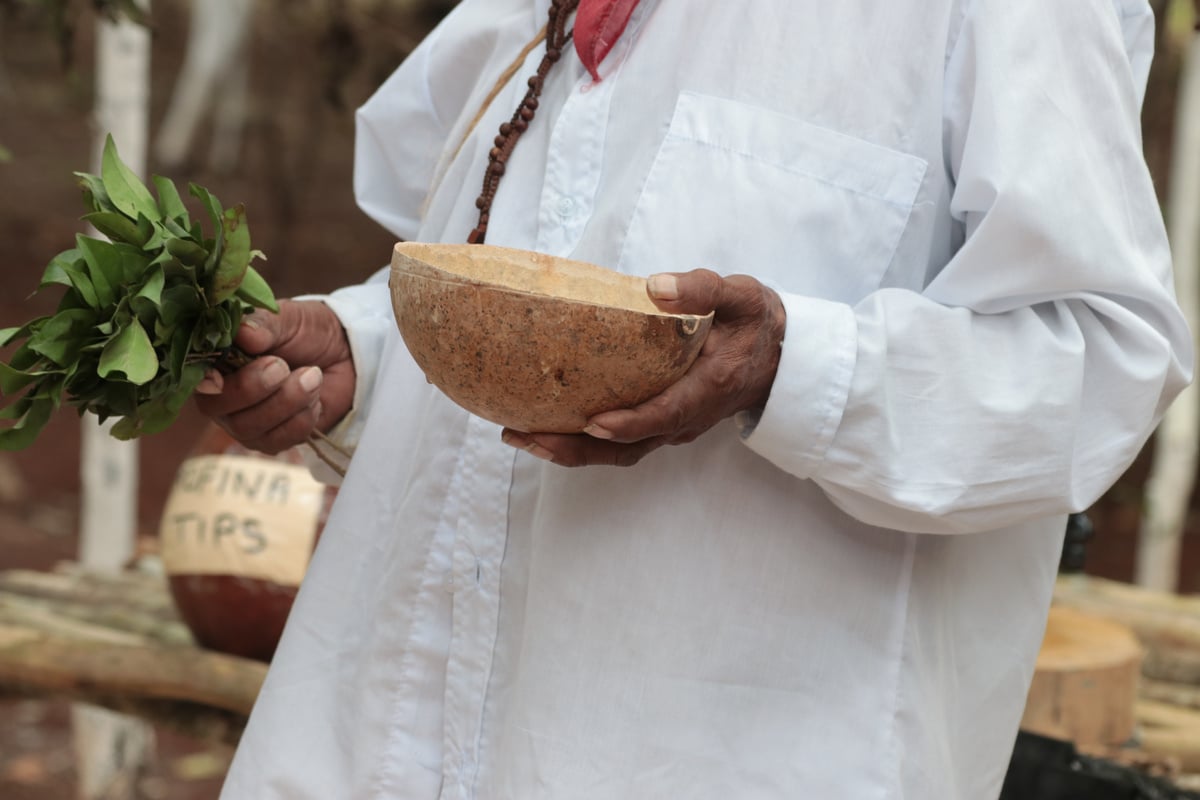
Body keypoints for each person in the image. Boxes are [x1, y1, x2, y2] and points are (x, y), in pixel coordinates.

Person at [196, 0, 1193, 797]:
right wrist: (369, 352)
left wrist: (788, 367)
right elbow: (528, 268)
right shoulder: (529, 14)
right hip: (373, 745)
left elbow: (1103, 359)